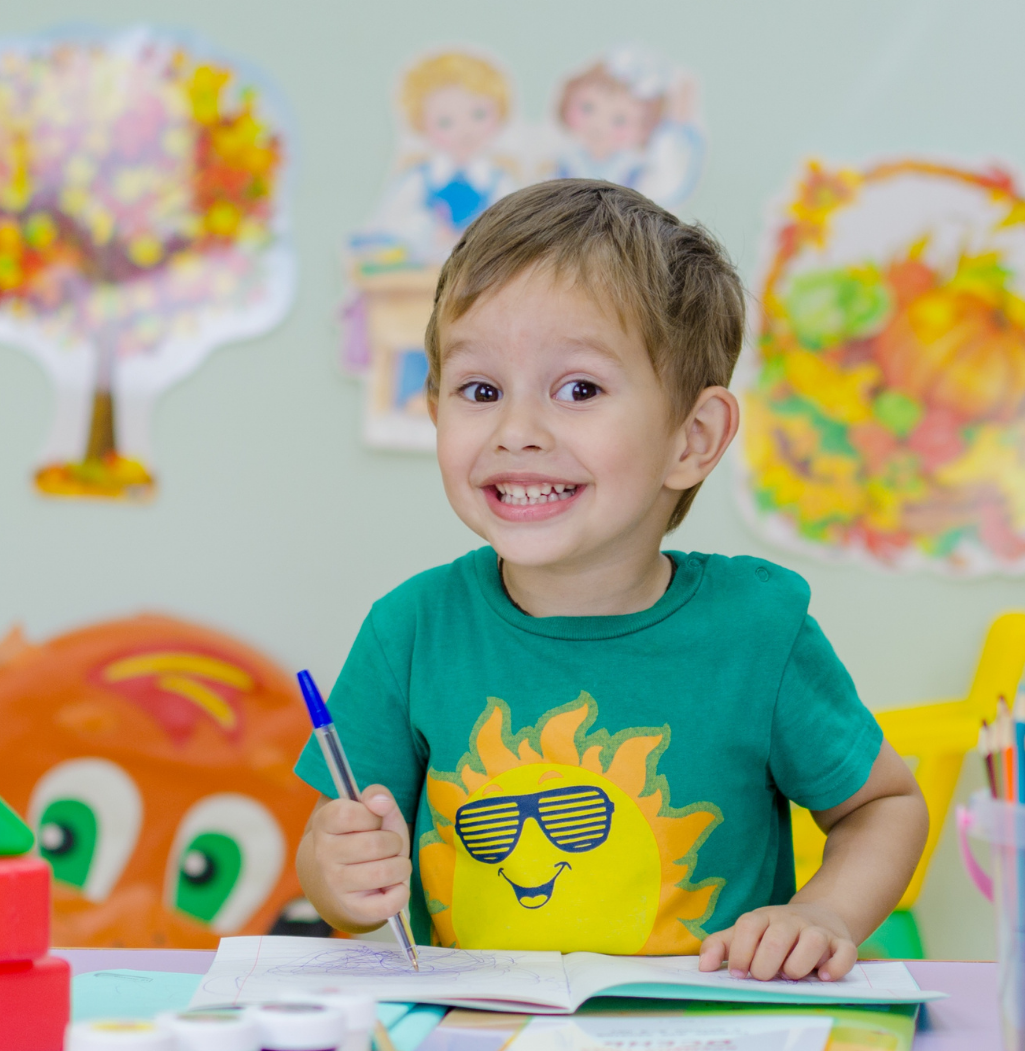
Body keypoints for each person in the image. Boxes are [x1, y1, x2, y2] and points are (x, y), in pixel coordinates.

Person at [295, 180, 927, 981]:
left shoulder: (759, 633)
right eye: (480, 390)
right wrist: (341, 878)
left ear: (692, 438)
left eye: (580, 390)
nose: (516, 432)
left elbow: (882, 805)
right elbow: (331, 855)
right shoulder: (411, 631)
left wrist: (823, 910)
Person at [363, 51, 519, 265]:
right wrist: (426, 231)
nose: (465, 131)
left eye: (479, 115)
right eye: (446, 122)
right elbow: (387, 228)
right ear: (421, 124)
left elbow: (517, 231)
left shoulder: (499, 182)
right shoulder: (419, 179)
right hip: (423, 282)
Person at [551, 48, 704, 208]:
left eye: (620, 120)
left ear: (645, 129)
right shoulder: (566, 162)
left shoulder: (633, 171)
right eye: (587, 107)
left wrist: (679, 120)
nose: (599, 124)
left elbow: (670, 189)